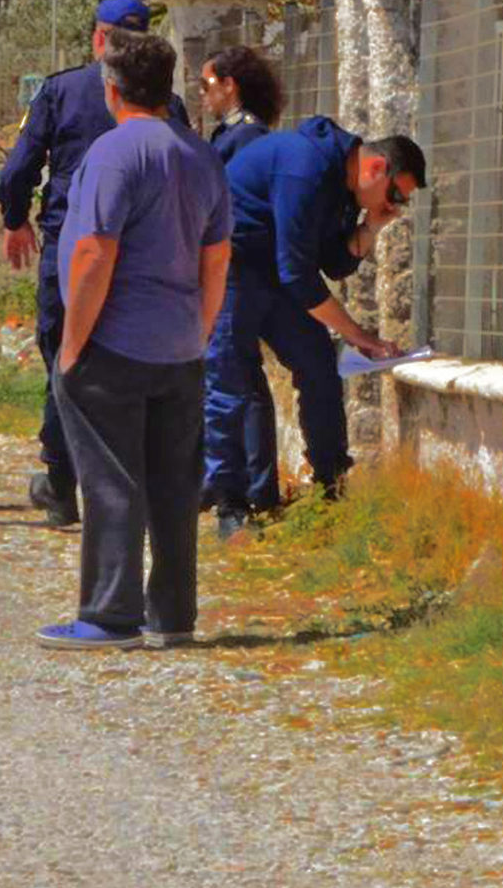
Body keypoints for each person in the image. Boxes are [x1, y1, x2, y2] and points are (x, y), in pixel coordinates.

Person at [36, 33, 230, 650]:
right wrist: (198, 329)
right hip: (179, 347)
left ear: (111, 88)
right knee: (174, 483)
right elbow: (217, 256)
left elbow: (95, 250)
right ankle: (172, 615)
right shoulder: (200, 155)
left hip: (114, 344)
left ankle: (109, 614)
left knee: (112, 480)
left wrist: (72, 343)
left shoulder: (114, 152)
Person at [0, 0, 194, 528]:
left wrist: (15, 220)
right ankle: (131, 483)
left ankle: (61, 482)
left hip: (72, 246)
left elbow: (19, 170)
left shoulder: (60, 90)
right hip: (146, 254)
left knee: (68, 356)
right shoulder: (168, 106)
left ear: (98, 37)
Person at [204, 116, 425, 536]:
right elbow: (299, 277)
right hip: (231, 265)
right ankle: (230, 506)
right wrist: (361, 337)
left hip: (273, 273)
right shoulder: (304, 167)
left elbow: (334, 263)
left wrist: (372, 226)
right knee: (230, 381)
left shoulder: (343, 186)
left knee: (320, 363)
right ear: (377, 168)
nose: (397, 203)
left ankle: (331, 486)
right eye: (396, 194)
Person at [192, 44, 283, 515]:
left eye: (208, 85)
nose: (203, 95)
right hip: (226, 270)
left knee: (233, 381)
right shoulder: (230, 134)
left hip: (237, 270)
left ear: (231, 86)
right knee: (230, 377)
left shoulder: (245, 138)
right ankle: (233, 481)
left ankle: (242, 490)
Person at [198, 44, 282, 164]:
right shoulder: (230, 131)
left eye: (205, 84)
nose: (201, 92)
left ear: (228, 85)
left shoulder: (248, 133)